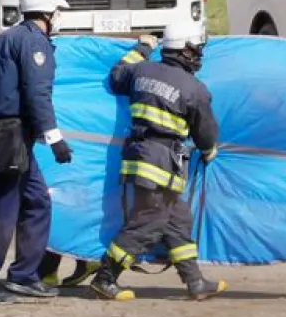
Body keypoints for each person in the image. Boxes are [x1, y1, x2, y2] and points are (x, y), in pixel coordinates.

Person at [89, 20, 226, 302]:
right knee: (148, 223)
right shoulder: (195, 89)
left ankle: (195, 282)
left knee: (178, 221)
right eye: (196, 49)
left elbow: (116, 76)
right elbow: (206, 132)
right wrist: (209, 149)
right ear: (184, 50)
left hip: (139, 157)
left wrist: (141, 48)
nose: (199, 55)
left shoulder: (141, 70)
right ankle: (104, 278)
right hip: (161, 164)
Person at [0, 0, 73, 301]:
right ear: (47, 13)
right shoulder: (34, 43)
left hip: (0, 137)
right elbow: (38, 93)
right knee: (3, 209)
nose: (60, 17)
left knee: (36, 202)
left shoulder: (0, 40)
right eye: (58, 11)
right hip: (10, 139)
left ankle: (24, 275)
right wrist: (54, 138)